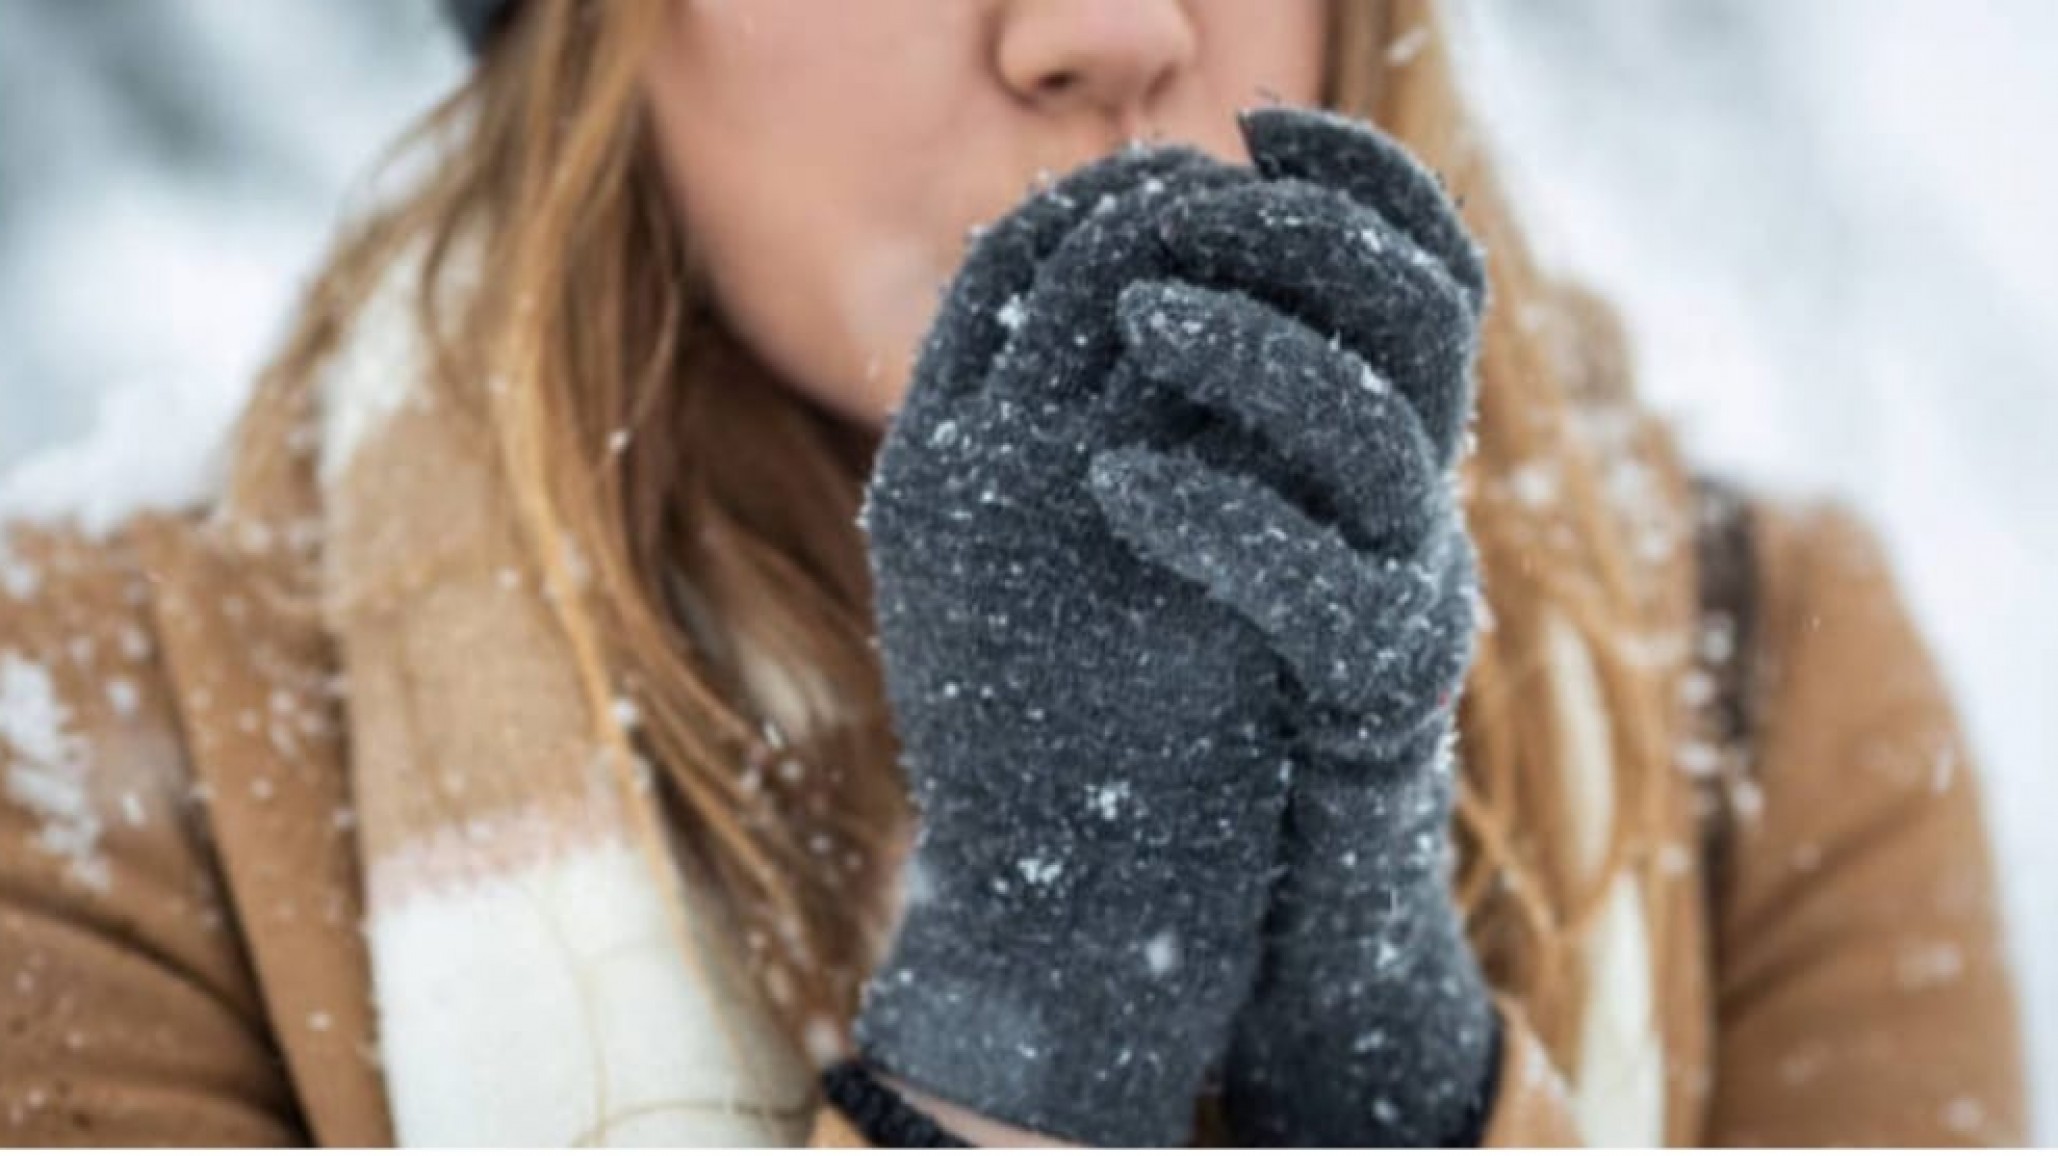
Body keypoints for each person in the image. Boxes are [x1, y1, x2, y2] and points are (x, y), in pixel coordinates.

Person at [0, 0, 2027, 1146]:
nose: (1106, 31)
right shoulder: (97, 765)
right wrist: (1028, 1026)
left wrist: (1398, 1088)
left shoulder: (1760, 699)